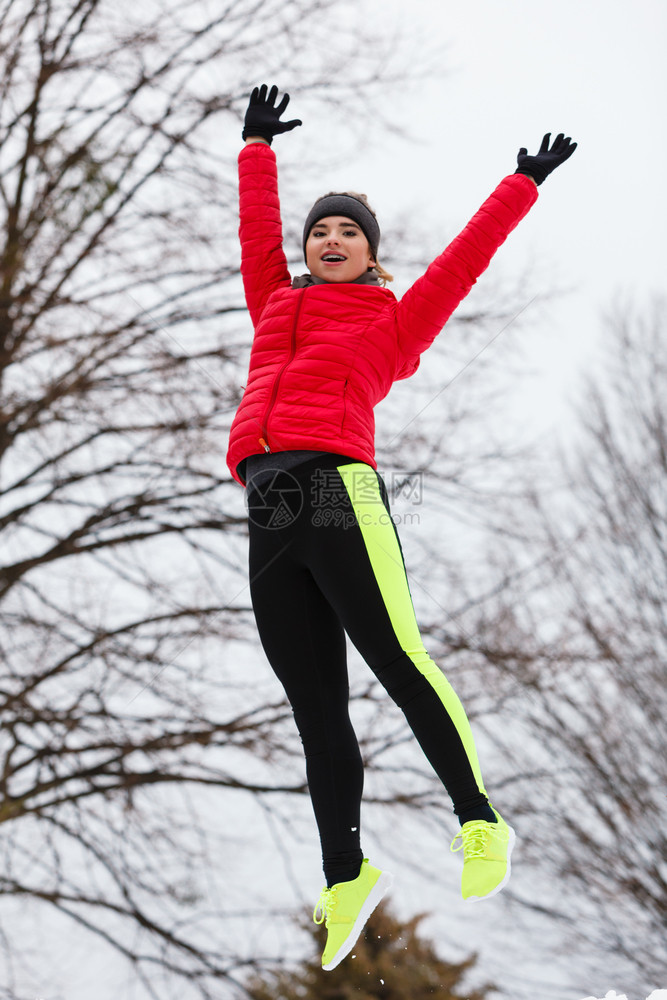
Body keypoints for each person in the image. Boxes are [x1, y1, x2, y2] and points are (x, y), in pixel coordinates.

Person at [226, 84, 577, 971]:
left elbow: (462, 262)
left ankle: (479, 820)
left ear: (370, 257)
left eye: (347, 233)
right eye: (320, 232)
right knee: (314, 707)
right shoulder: (274, 305)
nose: (330, 240)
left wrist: (519, 184)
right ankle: (345, 875)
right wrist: (257, 147)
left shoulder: (390, 321)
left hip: (341, 489)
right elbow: (255, 239)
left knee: (396, 657)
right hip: (266, 501)